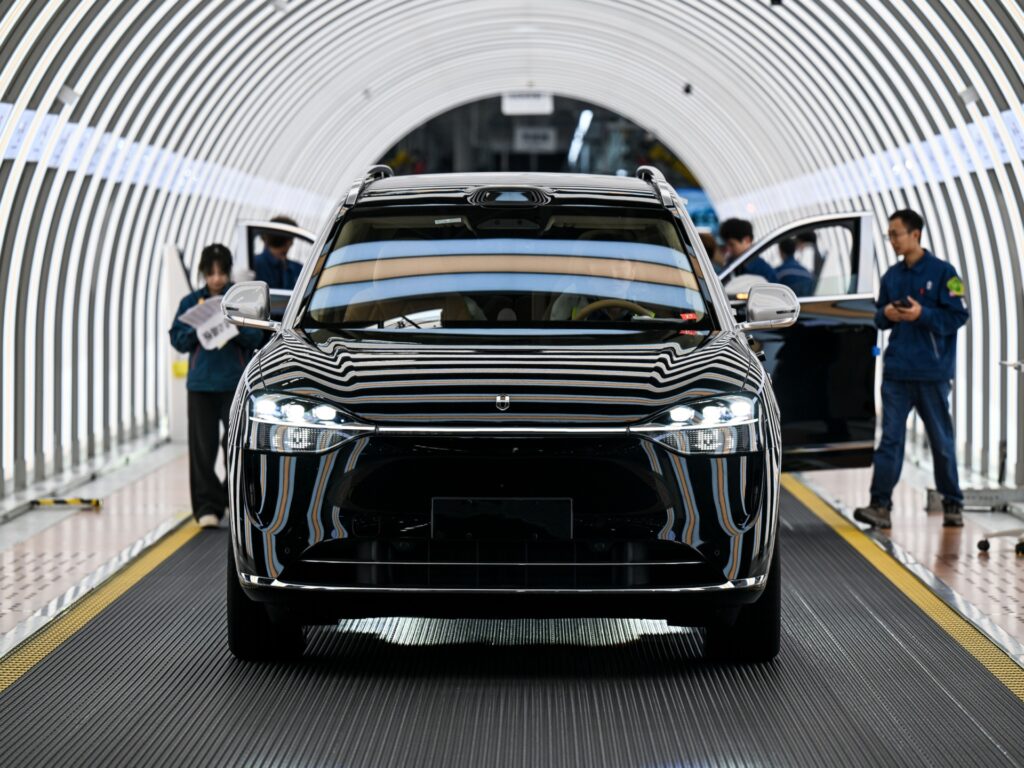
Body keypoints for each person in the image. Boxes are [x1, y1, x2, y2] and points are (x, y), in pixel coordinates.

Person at [853, 210, 969, 529]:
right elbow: (878, 318)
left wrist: (922, 315)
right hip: (897, 373)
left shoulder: (944, 273)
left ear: (915, 234)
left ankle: (953, 503)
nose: (892, 240)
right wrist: (886, 314)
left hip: (932, 374)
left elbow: (958, 316)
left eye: (896, 234)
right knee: (890, 440)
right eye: (889, 235)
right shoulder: (892, 276)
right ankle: (880, 505)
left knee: (941, 442)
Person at [169, 244, 263, 528]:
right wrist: (199, 329)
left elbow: (256, 337)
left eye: (222, 272)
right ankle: (207, 507)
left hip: (234, 383)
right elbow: (177, 339)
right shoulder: (190, 302)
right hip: (200, 385)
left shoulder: (240, 299)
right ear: (203, 273)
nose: (217, 279)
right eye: (211, 273)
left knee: (235, 445)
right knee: (202, 448)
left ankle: (231, 498)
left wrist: (232, 326)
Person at [252, 215, 303, 289]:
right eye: (292, 238)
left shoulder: (253, 263)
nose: (292, 243)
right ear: (289, 241)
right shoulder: (298, 269)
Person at [719, 218, 777, 282]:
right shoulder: (729, 267)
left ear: (747, 240)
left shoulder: (763, 271)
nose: (728, 249)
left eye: (732, 244)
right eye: (726, 245)